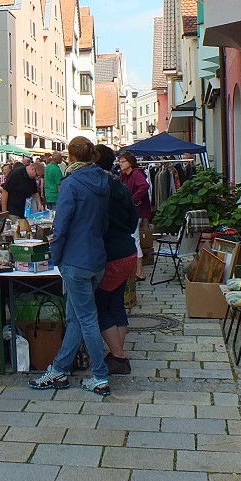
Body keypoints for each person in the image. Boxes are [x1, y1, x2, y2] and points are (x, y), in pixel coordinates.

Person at [29, 136, 112, 396]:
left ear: (71, 157)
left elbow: (61, 225)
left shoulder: (72, 182)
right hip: (96, 256)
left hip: (76, 259)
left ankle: (99, 376)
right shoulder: (103, 180)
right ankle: (60, 368)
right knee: (76, 317)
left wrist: (55, 255)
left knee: (86, 318)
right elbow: (104, 222)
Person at [93, 144, 139, 375]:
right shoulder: (119, 183)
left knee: (100, 305)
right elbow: (133, 220)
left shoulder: (99, 187)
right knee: (116, 303)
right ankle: (118, 354)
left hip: (111, 254)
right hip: (127, 251)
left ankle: (119, 357)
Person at [117, 152, 153, 280]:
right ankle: (136, 270)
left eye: (123, 162)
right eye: (119, 162)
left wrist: (132, 200)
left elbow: (144, 186)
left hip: (135, 212)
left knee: (134, 238)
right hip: (130, 212)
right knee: (133, 238)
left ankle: (139, 271)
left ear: (130, 162)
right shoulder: (124, 175)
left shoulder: (136, 173)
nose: (120, 164)